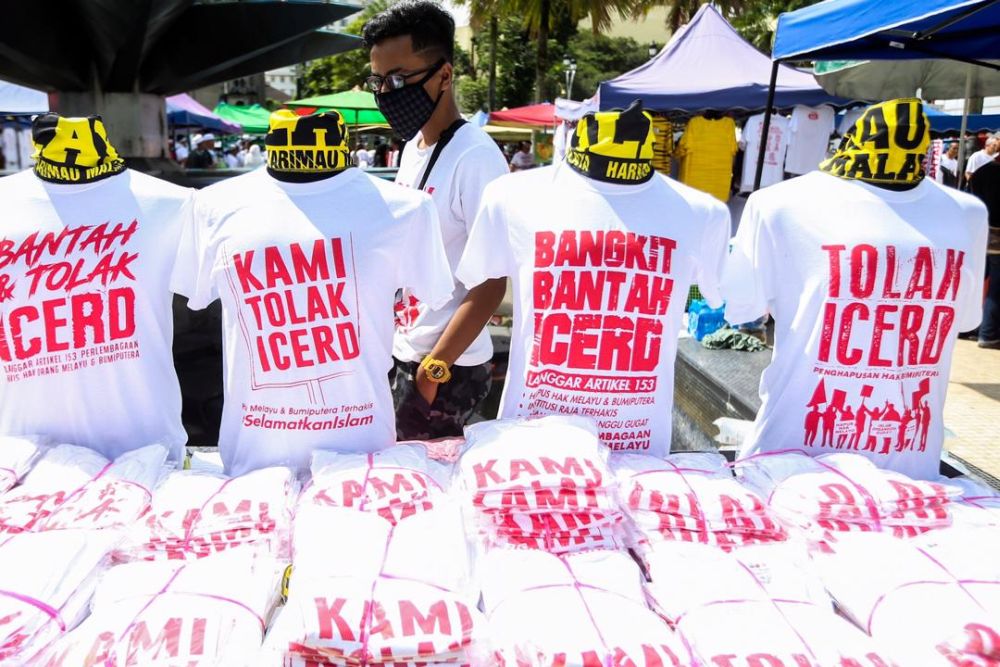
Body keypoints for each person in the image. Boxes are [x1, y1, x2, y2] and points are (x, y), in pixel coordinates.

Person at [364, 0, 509, 440]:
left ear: (444, 75)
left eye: (397, 79)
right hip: (405, 352)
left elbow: (492, 281)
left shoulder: (477, 157)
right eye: (377, 81)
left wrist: (433, 371)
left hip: (447, 367)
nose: (386, 93)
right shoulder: (413, 149)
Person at [971, 153, 1000, 349]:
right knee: (996, 285)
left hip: (981, 231)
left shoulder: (981, 171)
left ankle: (969, 328)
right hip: (997, 234)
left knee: (977, 279)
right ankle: (987, 333)